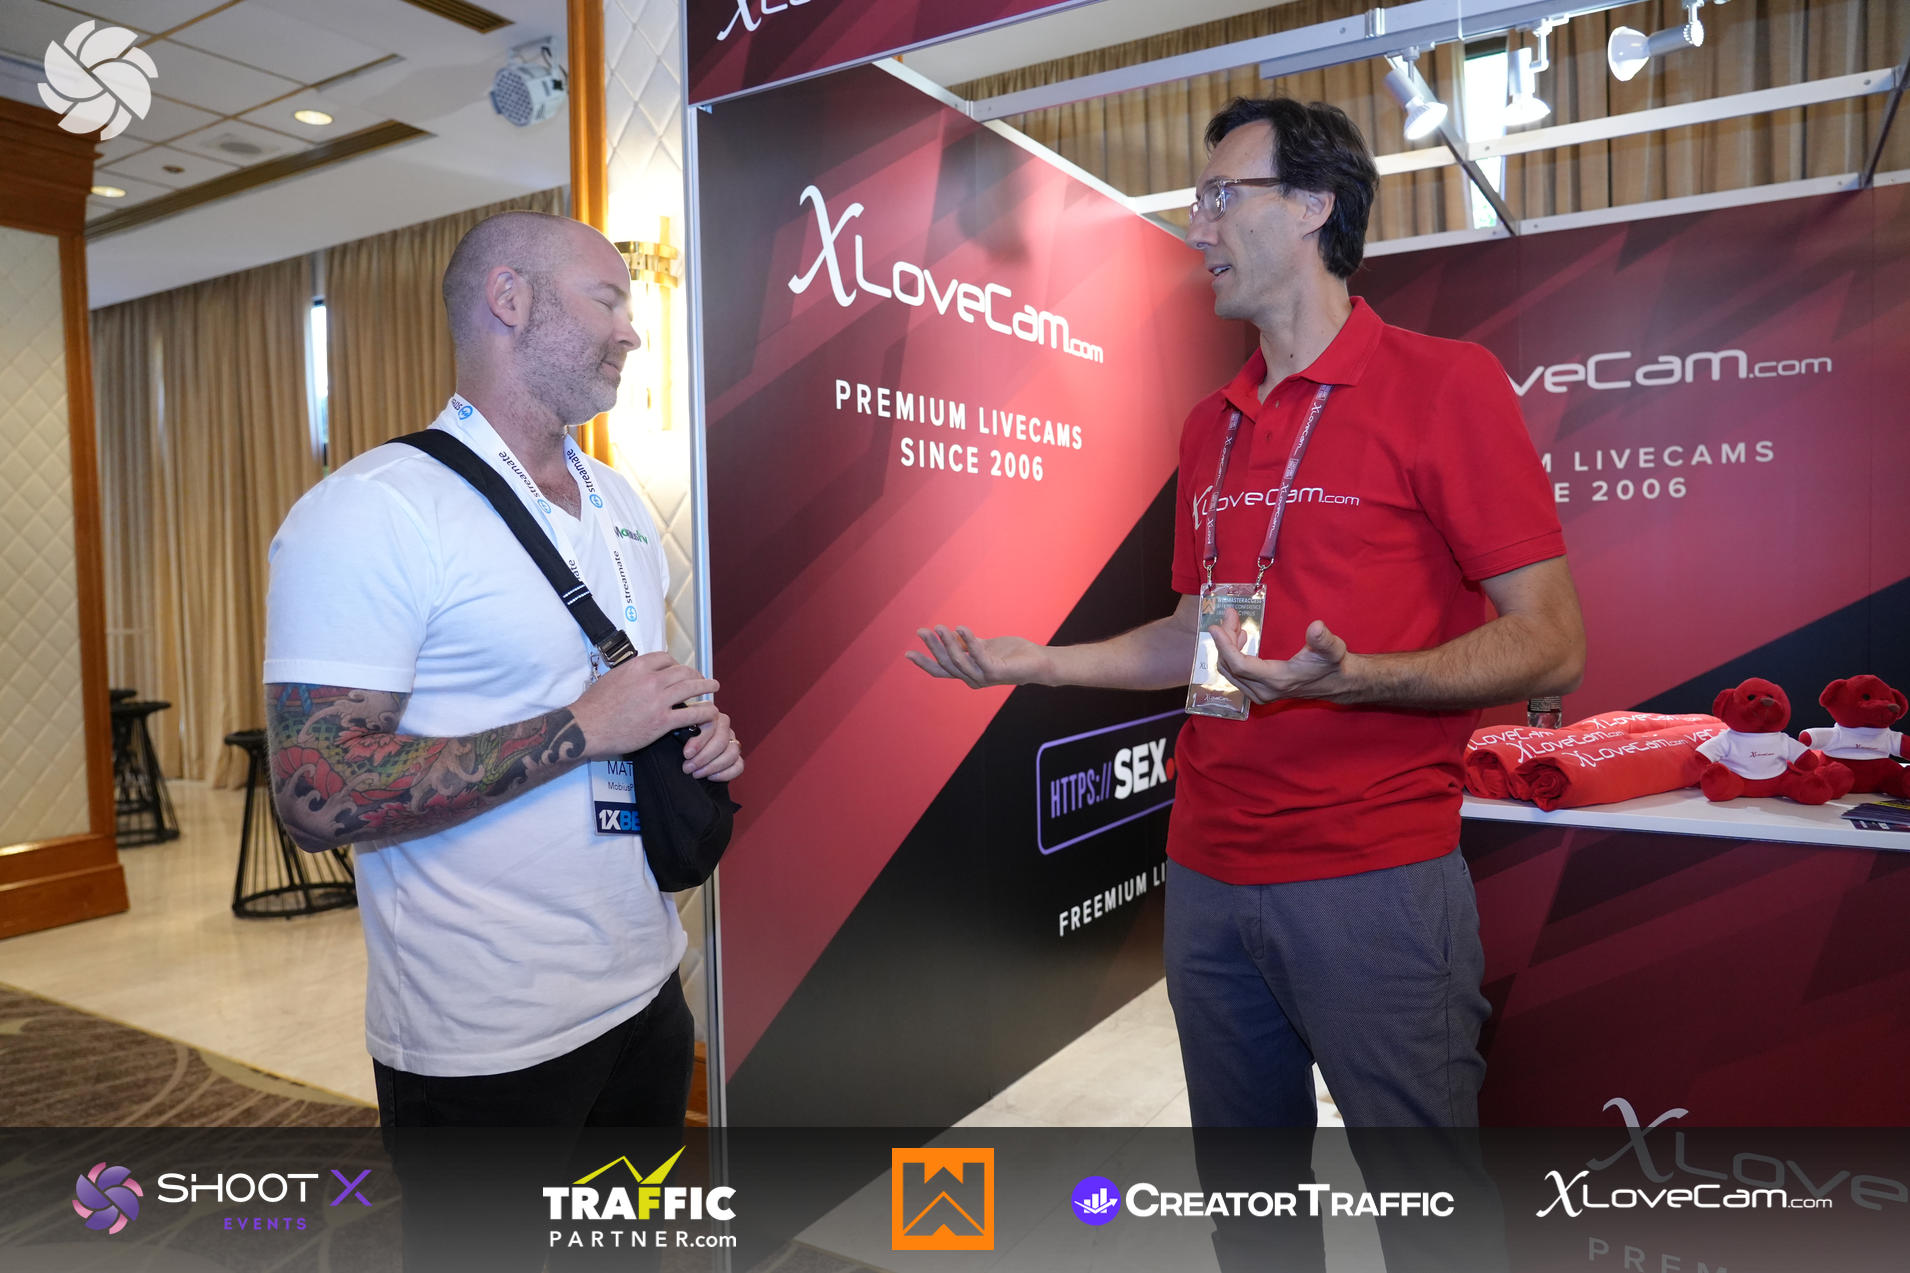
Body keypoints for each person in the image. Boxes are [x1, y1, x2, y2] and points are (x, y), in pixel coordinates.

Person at [908, 97, 1584, 1133]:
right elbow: (1198, 638)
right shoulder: (1210, 426)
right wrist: (1034, 663)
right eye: (1197, 200)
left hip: (1373, 875)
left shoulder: (1445, 384)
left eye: (1222, 195)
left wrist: (1356, 679)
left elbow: (1552, 642)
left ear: (1315, 205)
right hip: (1207, 871)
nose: (1196, 226)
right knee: (1245, 1191)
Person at [263, 210, 743, 1137]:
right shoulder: (373, 510)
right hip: (484, 1040)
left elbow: (624, 691)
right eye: (607, 300)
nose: (632, 332)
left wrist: (688, 727)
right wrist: (585, 727)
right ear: (509, 299)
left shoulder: (621, 501)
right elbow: (317, 795)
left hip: (646, 989)